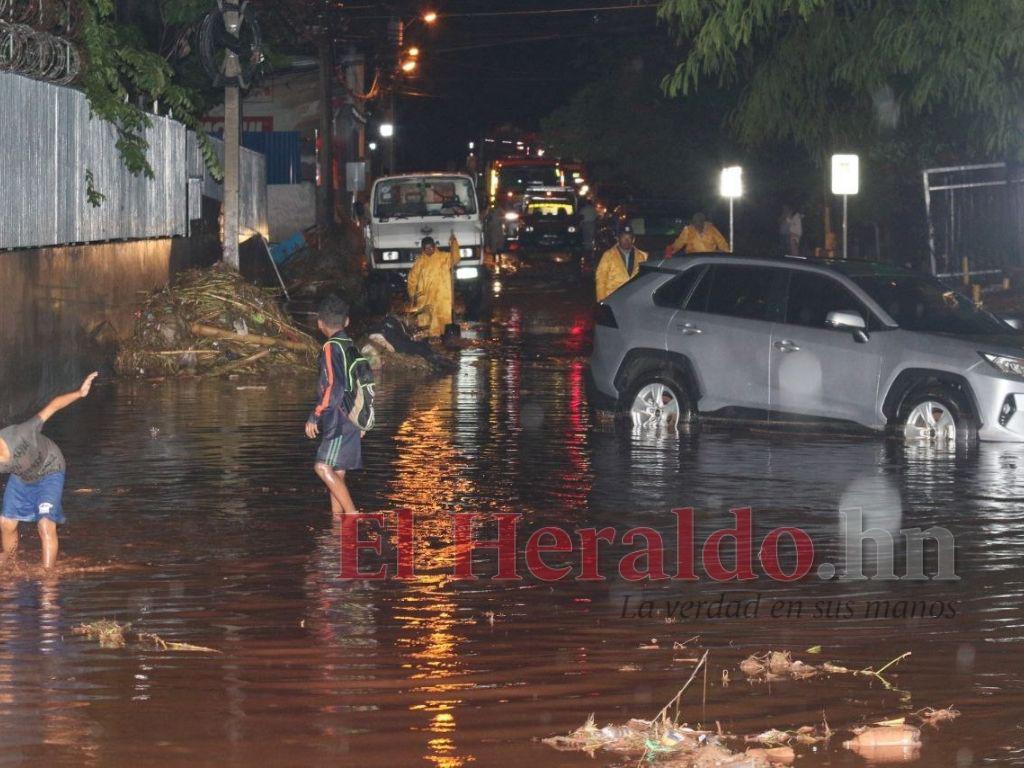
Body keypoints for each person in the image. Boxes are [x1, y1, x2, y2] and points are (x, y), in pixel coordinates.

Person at [1, 371, 98, 569]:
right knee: (6, 523)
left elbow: (53, 406)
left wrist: (80, 393)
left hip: (50, 468)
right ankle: (11, 564)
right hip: (23, 476)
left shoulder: (22, 434)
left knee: (45, 524)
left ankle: (48, 577)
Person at [305, 296, 362, 516]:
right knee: (337, 472)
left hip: (338, 419)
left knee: (322, 467)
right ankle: (338, 526)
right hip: (352, 415)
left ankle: (352, 515)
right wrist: (364, 419)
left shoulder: (330, 347)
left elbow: (332, 386)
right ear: (347, 322)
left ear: (320, 323)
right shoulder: (351, 346)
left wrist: (315, 415)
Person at [407, 233, 461, 337]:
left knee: (443, 316)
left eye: (430, 247)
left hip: (442, 295)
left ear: (434, 246)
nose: (429, 250)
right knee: (427, 318)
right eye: (426, 248)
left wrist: (454, 244)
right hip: (425, 296)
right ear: (423, 249)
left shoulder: (444, 257)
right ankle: (428, 338)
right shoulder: (420, 262)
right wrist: (412, 293)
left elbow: (455, 258)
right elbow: (412, 278)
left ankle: (444, 336)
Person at [595, 224, 648, 302]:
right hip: (613, 299)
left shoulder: (642, 256)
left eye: (629, 237)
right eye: (623, 237)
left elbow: (645, 280)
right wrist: (602, 300)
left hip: (633, 299)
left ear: (633, 240)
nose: (627, 240)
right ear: (618, 239)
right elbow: (601, 279)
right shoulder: (608, 255)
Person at [664, 212, 730, 257]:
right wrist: (671, 250)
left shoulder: (712, 230)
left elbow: (722, 243)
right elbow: (679, 243)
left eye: (698, 222)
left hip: (709, 259)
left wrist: (727, 255)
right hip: (693, 259)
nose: (696, 225)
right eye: (694, 222)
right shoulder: (688, 230)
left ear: (703, 222)